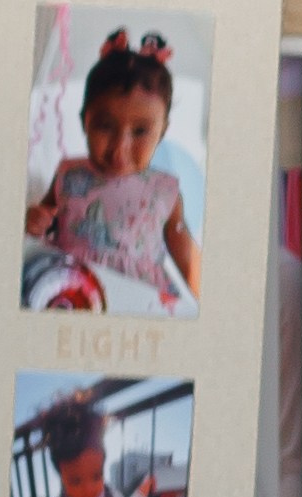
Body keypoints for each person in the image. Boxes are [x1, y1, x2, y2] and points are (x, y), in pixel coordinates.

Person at [27, 30, 201, 309]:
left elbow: (188, 260)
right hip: (72, 292)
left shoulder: (164, 192)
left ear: (162, 131)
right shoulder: (68, 174)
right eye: (105, 126)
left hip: (137, 302)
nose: (120, 148)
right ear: (84, 121)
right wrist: (34, 219)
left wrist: (209, 307)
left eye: (141, 131)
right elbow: (44, 219)